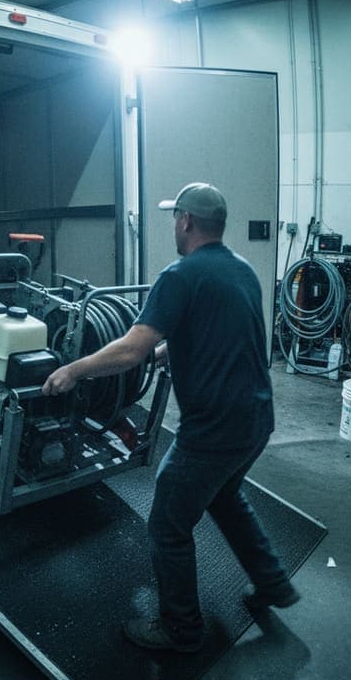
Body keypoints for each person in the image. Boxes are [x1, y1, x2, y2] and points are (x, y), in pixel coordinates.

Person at [43, 182, 298, 653]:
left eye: (174, 217)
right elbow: (222, 329)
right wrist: (170, 350)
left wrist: (74, 369)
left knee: (166, 524)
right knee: (225, 497)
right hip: (257, 420)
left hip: (213, 430)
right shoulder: (241, 270)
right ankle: (274, 584)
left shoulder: (180, 275)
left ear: (186, 221)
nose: (172, 225)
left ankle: (181, 629)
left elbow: (130, 348)